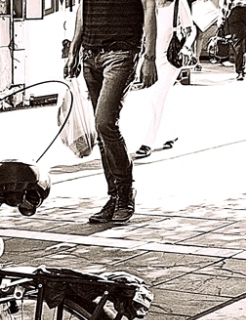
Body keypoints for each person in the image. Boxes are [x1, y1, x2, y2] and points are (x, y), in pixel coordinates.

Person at [65, 0, 158, 225]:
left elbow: (149, 7)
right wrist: (74, 50)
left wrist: (149, 57)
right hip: (90, 55)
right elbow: (82, 9)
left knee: (105, 122)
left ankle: (125, 192)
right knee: (102, 130)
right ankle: (114, 197)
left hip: (122, 53)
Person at [135, 0, 196, 160]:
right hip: (151, 59)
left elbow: (191, 30)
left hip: (170, 59)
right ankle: (171, 133)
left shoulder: (178, 3)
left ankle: (147, 142)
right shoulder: (149, 3)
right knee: (160, 98)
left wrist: (186, 47)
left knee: (156, 97)